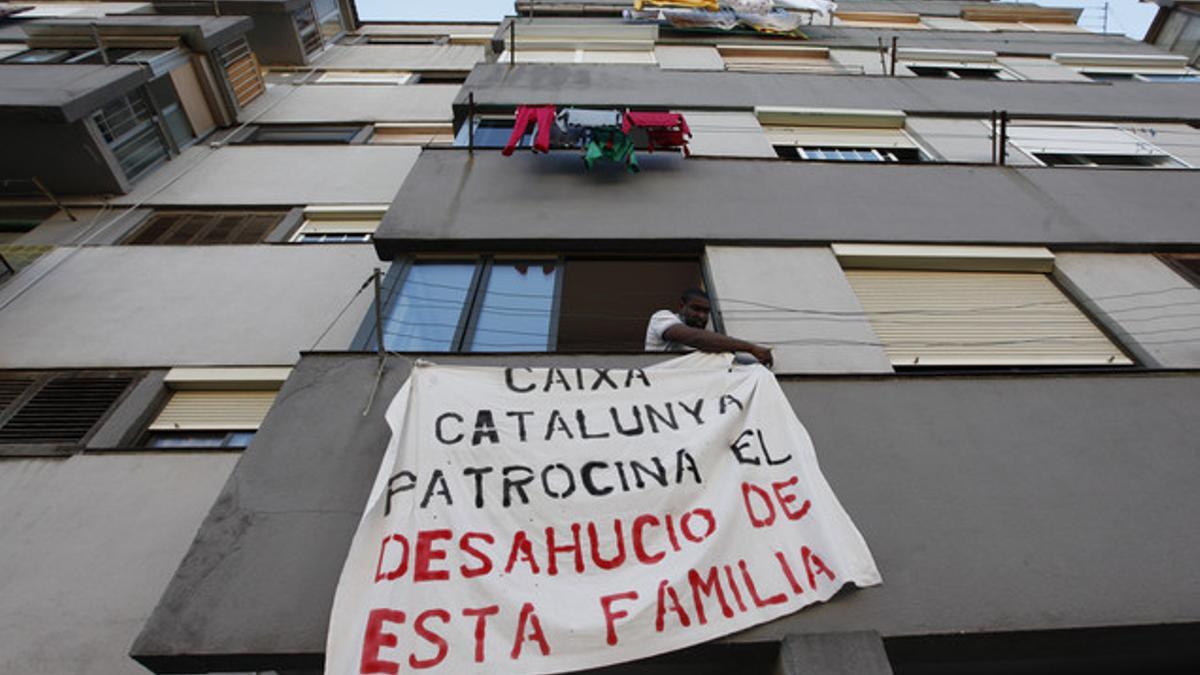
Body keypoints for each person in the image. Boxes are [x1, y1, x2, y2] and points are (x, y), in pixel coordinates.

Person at [645, 288, 773, 367]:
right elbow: (695, 338)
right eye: (696, 309)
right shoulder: (662, 317)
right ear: (681, 306)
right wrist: (750, 348)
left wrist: (757, 365)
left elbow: (727, 359)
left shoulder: (707, 339)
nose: (701, 316)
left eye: (706, 312)